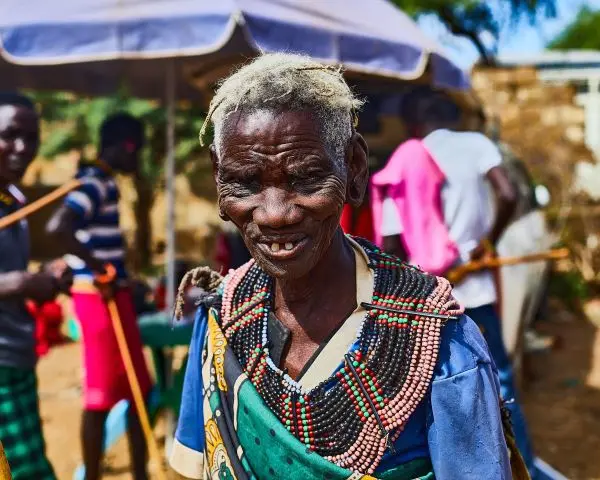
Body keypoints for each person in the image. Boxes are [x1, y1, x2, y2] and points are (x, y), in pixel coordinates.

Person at [168, 53, 524, 480]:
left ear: (354, 168)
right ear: (218, 177)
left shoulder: (443, 344)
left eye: (306, 178)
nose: (275, 213)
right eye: (246, 182)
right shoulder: (220, 319)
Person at [370, 87, 536, 476]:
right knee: (501, 386)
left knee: (441, 393)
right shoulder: (476, 144)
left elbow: (391, 244)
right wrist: (486, 242)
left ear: (413, 123)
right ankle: (522, 467)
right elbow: (508, 193)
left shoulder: (407, 158)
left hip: (432, 301)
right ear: (452, 119)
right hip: (476, 287)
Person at [46, 113, 152, 480]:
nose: (138, 159)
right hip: (98, 300)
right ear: (126, 146)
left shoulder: (102, 180)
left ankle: (141, 473)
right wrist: (97, 267)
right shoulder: (95, 184)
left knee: (138, 390)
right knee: (100, 396)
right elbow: (58, 226)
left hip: (113, 296)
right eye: (138, 150)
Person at [0, 93, 72, 479]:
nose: (23, 148)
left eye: (31, 137)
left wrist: (46, 275)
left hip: (16, 357)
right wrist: (23, 282)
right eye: (10, 135)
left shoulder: (13, 200)